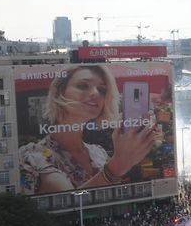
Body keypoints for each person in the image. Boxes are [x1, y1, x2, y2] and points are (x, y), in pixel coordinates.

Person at [19, 65, 157, 194]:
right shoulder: (32, 157)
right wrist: (117, 166)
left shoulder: (98, 153)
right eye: (83, 86)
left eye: (102, 90)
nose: (95, 93)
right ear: (60, 92)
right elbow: (69, 203)